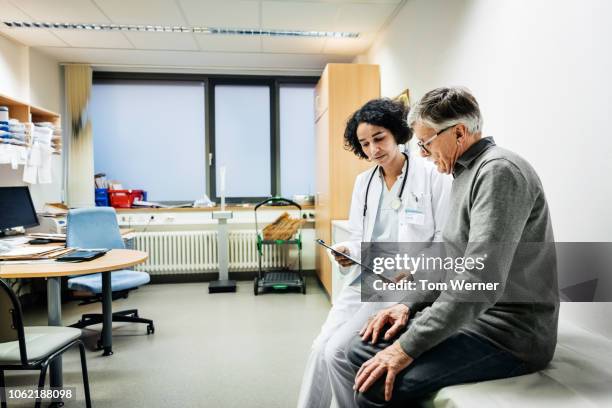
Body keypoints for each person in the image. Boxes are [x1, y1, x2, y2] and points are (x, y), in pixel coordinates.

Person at [347, 87, 559, 407]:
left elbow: (478, 281)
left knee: (372, 387)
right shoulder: (465, 172)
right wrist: (408, 304)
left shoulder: (499, 172)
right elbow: (448, 253)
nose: (421, 154)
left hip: (509, 335)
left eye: (426, 143)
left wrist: (405, 349)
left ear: (459, 132)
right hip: (478, 320)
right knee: (359, 349)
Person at [297, 98, 452, 408]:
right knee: (319, 348)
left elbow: (442, 240)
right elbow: (359, 236)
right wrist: (346, 251)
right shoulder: (364, 182)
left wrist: (415, 272)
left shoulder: (431, 174)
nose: (373, 150)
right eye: (364, 144)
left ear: (397, 133)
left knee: (336, 352)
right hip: (365, 277)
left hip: (400, 284)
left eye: (379, 138)